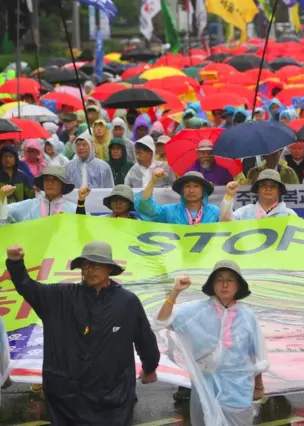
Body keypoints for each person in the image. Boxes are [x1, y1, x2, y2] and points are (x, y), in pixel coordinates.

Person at [4, 241, 160, 425]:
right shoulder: (60, 297)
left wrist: (150, 367)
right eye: (85, 265)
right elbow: (28, 287)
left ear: (110, 268)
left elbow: (144, 338)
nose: (89, 270)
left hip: (112, 398)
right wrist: (15, 263)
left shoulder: (127, 302)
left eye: (96, 265)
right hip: (68, 400)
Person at [154, 260, 269, 426]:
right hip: (205, 391)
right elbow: (161, 321)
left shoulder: (247, 316)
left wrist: (259, 386)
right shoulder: (195, 311)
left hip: (238, 392)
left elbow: (256, 356)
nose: (224, 285)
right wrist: (175, 292)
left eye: (230, 280)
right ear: (212, 285)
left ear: (238, 285)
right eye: (219, 280)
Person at [135, 170, 220, 224]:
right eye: (187, 186)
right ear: (182, 190)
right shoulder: (170, 211)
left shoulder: (215, 212)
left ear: (203, 190)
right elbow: (145, 207)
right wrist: (153, 181)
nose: (191, 190)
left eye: (196, 186)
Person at [0, 165, 76, 224]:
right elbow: (5, 214)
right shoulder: (29, 206)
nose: (49, 183)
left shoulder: (73, 209)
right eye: (46, 179)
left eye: (55, 179)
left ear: (63, 184)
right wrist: (1, 198)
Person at [221, 169, 297, 220]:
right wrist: (229, 196)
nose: (268, 188)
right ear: (257, 190)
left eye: (273, 186)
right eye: (263, 185)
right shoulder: (244, 213)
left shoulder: (290, 215)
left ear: (279, 191)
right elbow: (226, 223)